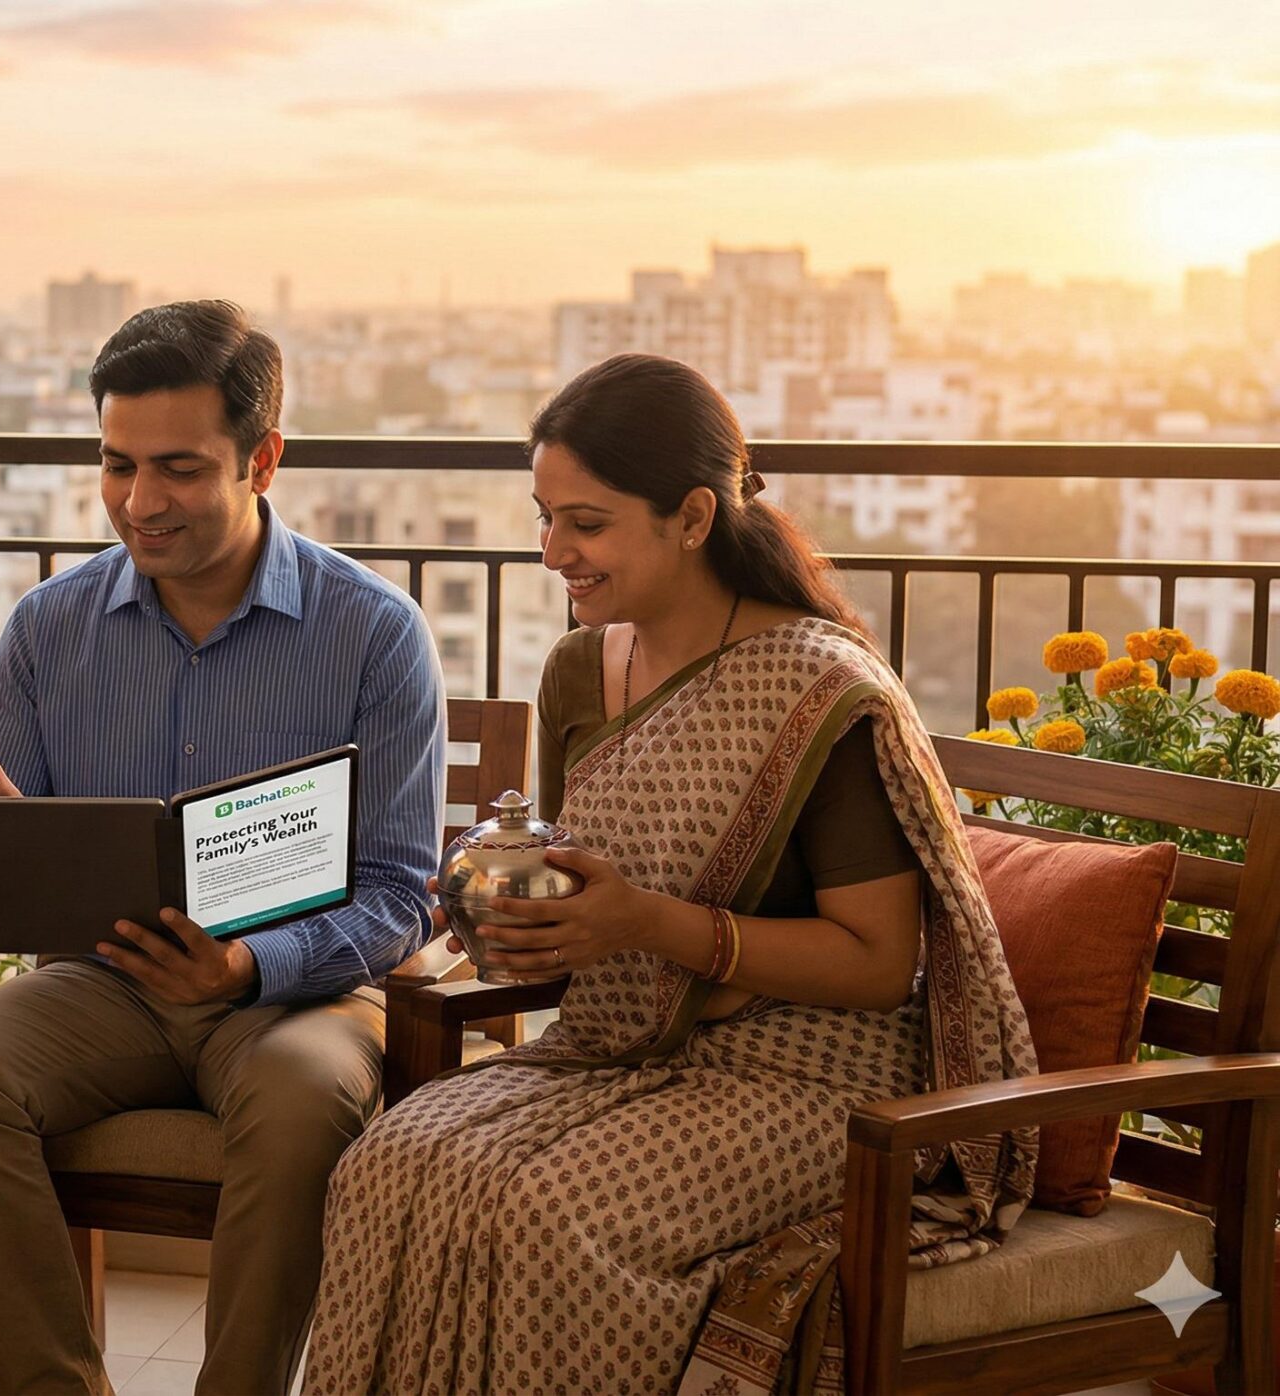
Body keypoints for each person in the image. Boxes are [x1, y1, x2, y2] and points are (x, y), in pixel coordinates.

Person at [304, 353, 1038, 1396]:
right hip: (624, 1046)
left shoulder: (815, 688)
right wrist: (513, 921)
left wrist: (644, 923)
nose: (553, 550)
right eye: (544, 515)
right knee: (389, 1164)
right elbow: (593, 889)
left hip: (815, 1071)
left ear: (693, 516)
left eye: (586, 524)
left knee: (557, 1212)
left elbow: (882, 966)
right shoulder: (577, 671)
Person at [0, 300, 447, 1396]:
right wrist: (6, 864)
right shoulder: (50, 628)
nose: (139, 504)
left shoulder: (372, 632)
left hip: (298, 996)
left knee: (302, 1096)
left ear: (264, 459)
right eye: (116, 465)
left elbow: (400, 893)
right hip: (102, 985)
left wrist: (250, 964)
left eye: (180, 470)